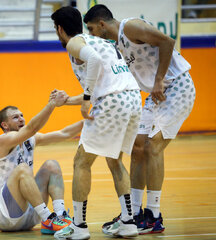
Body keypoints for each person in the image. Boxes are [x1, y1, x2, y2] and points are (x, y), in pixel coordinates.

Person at [83, 4, 196, 235]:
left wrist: (158, 80)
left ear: (102, 24)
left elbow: (167, 41)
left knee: (153, 146)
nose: (92, 34)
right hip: (153, 96)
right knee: (137, 148)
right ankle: (134, 213)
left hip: (176, 86)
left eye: (92, 29)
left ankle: (154, 215)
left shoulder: (131, 27)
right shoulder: (115, 46)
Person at [50, 6, 142, 239]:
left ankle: (79, 227)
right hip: (132, 98)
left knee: (81, 161)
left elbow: (93, 62)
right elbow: (108, 84)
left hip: (113, 101)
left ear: (60, 29)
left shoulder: (75, 44)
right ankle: (129, 222)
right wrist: (68, 100)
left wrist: (86, 99)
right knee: (115, 160)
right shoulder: (100, 42)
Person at [0, 90, 84, 235]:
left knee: (51, 165)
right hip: (5, 215)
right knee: (23, 169)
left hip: (30, 215)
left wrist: (89, 120)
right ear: (5, 125)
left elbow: (65, 133)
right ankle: (47, 218)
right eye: (15, 117)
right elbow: (32, 128)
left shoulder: (30, 139)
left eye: (22, 115)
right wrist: (52, 104)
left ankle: (59, 215)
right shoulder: (3, 141)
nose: (21, 119)